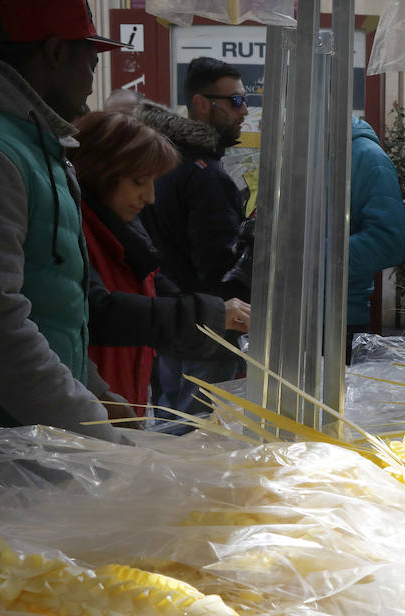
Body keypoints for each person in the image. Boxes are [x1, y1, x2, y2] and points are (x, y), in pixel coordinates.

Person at [0, 0, 134, 441]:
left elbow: (54, 302)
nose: (91, 86)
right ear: (55, 52)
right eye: (90, 64)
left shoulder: (40, 146)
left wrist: (94, 389)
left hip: (41, 436)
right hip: (6, 453)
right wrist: (90, 424)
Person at [68, 111, 251, 409]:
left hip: (124, 398)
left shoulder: (123, 230)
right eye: (140, 181)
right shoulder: (77, 230)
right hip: (92, 408)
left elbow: (153, 286)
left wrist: (212, 312)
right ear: (99, 173)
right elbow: (101, 311)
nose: (150, 197)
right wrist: (210, 311)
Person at [136, 57, 250, 413]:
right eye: (234, 101)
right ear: (202, 104)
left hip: (170, 323)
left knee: (170, 424)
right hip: (207, 331)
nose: (244, 110)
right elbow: (218, 266)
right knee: (200, 436)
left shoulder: (163, 161)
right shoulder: (204, 176)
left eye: (245, 100)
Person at [347, 115, 405, 362]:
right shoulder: (299, 149)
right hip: (284, 315)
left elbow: (389, 241)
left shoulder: (368, 157)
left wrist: (312, 259)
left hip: (340, 318)